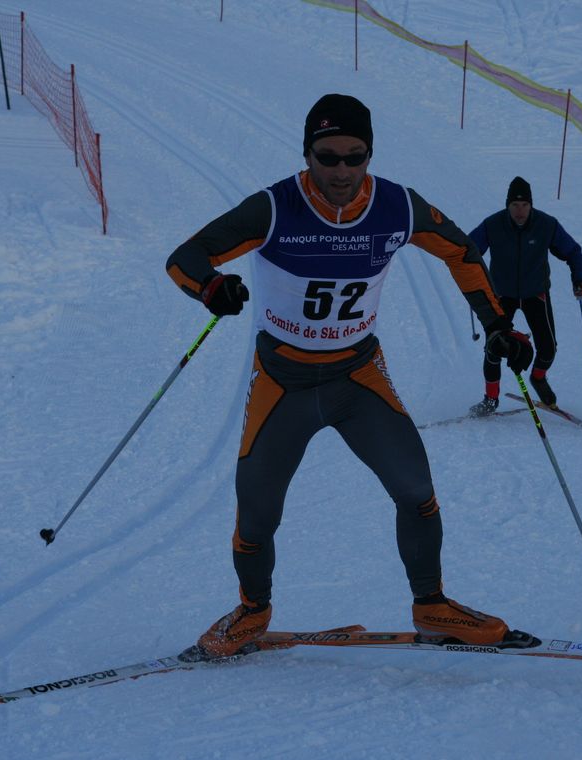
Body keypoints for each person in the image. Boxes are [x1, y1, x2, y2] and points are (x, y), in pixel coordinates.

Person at [165, 94, 535, 660]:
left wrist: (498, 325)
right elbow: (185, 257)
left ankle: (432, 605)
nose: (341, 171)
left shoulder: (396, 207)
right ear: (307, 154)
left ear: (370, 155)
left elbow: (461, 252)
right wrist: (211, 286)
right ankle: (252, 610)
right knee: (257, 508)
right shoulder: (274, 208)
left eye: (354, 157)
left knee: (416, 490)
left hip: (357, 377)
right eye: (327, 157)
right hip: (283, 381)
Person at [466, 176, 582, 416]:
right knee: (494, 347)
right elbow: (468, 250)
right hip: (502, 295)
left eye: (524, 205)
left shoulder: (547, 225)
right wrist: (469, 276)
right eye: (515, 205)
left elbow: (573, 251)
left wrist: (579, 280)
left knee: (548, 348)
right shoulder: (493, 225)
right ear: (507, 205)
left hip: (535, 293)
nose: (520, 211)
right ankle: (490, 399)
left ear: (531, 205)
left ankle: (538, 378)